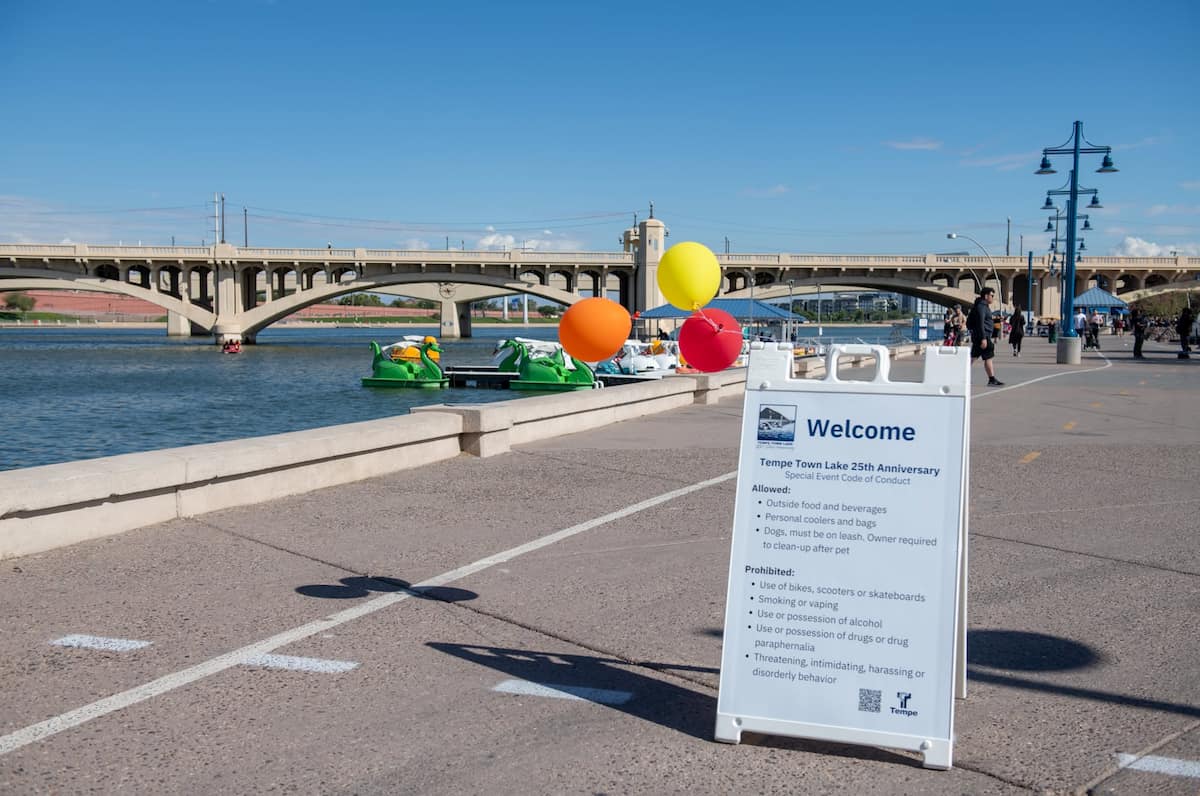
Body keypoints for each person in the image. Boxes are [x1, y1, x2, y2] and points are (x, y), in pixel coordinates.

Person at [966, 287, 1003, 386]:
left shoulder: (982, 306)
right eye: (992, 295)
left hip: (981, 336)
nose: (992, 297)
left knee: (973, 358)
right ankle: (991, 379)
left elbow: (986, 320)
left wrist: (997, 320)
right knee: (988, 356)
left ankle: (959, 376)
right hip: (983, 336)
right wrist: (983, 338)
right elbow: (980, 323)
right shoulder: (981, 307)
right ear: (986, 296)